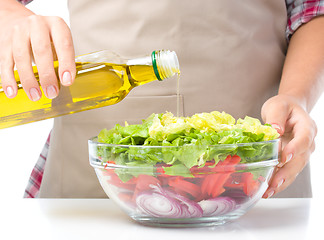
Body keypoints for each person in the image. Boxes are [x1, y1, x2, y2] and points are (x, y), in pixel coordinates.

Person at [0, 0, 323, 198]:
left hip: (256, 148)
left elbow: (313, 11)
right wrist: (14, 18)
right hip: (90, 147)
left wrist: (295, 96)